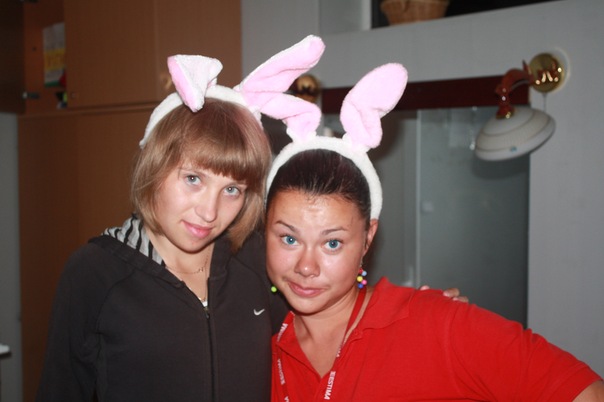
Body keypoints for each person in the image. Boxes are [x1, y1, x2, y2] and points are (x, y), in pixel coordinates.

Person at [264, 63, 604, 401]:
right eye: (289, 239)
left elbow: (587, 393)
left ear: (368, 238)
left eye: (332, 243)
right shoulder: (257, 342)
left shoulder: (438, 325)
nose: (306, 267)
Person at [35, 36, 326, 402]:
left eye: (232, 190)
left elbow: (317, 330)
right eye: (193, 179)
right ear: (154, 166)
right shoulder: (95, 273)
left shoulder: (256, 258)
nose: (209, 212)